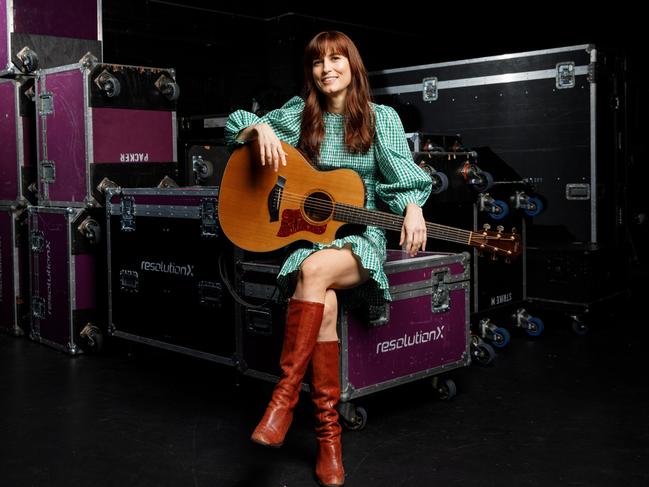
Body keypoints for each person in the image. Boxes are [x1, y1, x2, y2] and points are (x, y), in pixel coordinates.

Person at [224, 31, 432, 487]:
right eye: (318, 62)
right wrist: (255, 128)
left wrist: (413, 205)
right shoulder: (300, 115)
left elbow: (404, 178)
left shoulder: (381, 119)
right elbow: (234, 123)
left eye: (337, 59)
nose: (327, 69)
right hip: (311, 240)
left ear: (353, 66)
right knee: (324, 302)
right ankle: (329, 439)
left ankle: (282, 400)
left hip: (362, 238)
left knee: (313, 272)